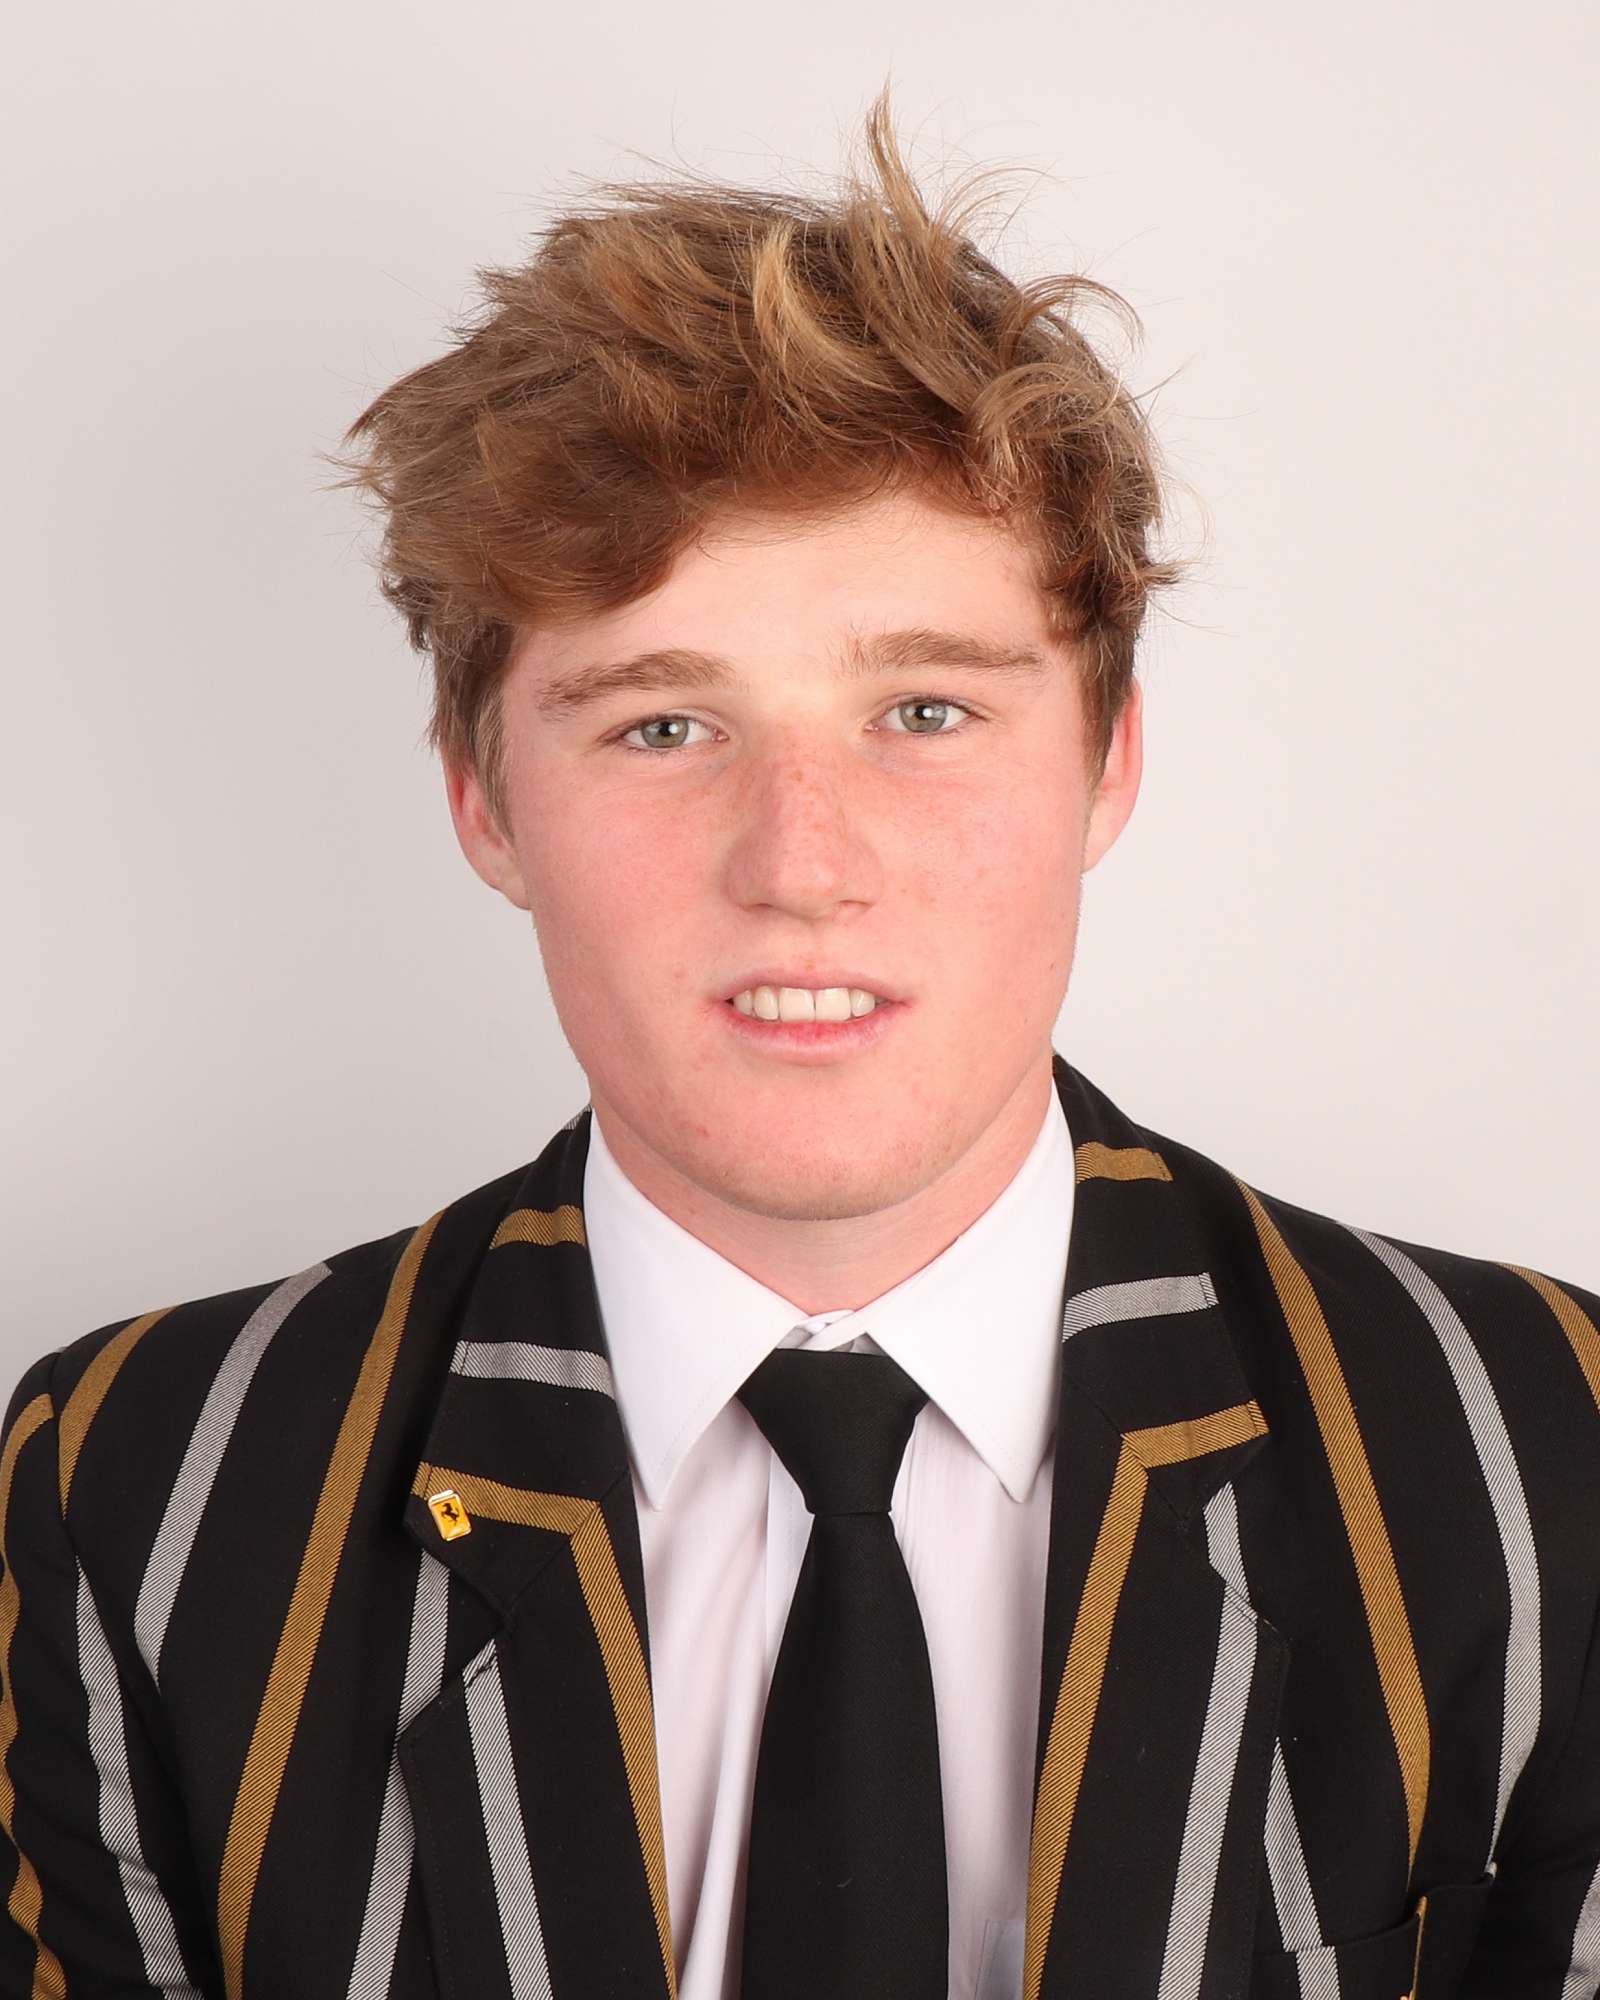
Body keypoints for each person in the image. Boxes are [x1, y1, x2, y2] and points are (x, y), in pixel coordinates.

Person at [2, 91, 1596, 2000]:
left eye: (924, 711)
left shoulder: (1539, 1446)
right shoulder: (143, 1485)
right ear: (486, 801)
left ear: (1107, 762)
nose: (802, 865)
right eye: (662, 727)